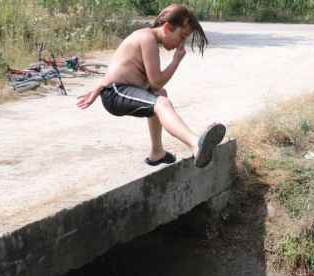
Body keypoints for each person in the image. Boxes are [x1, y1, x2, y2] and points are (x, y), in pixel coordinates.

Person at [76, 4, 226, 167]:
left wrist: (99, 87)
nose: (181, 43)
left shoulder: (148, 38)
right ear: (168, 28)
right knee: (161, 102)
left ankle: (157, 152)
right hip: (116, 92)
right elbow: (156, 80)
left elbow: (153, 84)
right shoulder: (147, 39)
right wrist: (176, 61)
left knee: (161, 94)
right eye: (182, 36)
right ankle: (195, 144)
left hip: (119, 90)